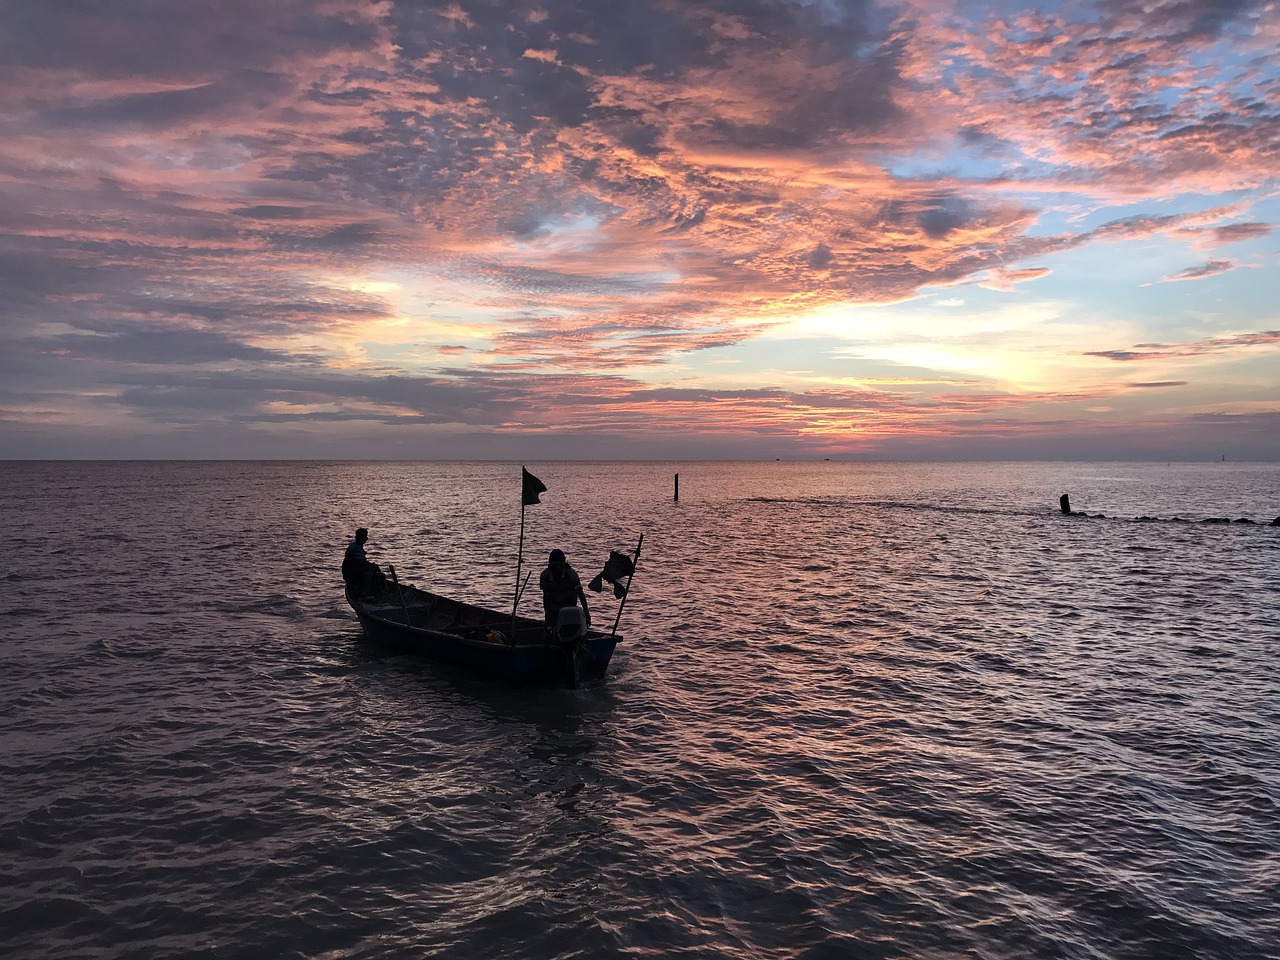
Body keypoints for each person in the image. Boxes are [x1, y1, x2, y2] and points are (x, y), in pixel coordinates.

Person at [539, 548, 590, 631]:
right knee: (550, 631)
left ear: (563, 563)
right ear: (550, 564)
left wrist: (587, 615)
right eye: (554, 565)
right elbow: (546, 599)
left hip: (570, 609)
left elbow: (581, 595)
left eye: (559, 564)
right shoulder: (545, 576)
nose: (557, 567)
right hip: (553, 609)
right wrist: (548, 622)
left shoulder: (571, 574)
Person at [342, 527, 385, 596]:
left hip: (353, 571)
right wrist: (373, 566)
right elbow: (362, 563)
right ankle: (366, 593)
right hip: (351, 574)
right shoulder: (355, 548)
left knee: (377, 574)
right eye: (365, 536)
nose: (366, 538)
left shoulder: (356, 547)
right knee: (368, 570)